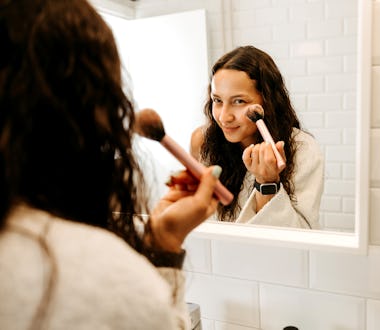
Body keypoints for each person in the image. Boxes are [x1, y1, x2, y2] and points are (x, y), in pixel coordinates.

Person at [0, 1, 220, 329]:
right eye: (217, 100)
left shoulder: (294, 149)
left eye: (240, 101)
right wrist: (163, 253)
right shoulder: (102, 277)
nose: (227, 114)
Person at [191, 46, 324, 229]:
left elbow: (301, 235)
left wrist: (268, 183)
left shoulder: (302, 149)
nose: (224, 117)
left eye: (239, 101)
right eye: (218, 100)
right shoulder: (206, 143)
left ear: (267, 101)